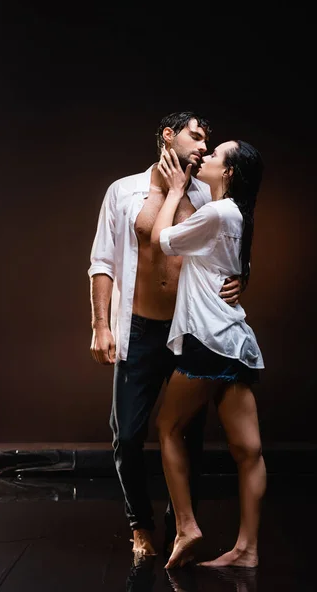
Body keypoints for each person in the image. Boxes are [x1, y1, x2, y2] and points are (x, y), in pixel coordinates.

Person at [88, 111, 243, 558]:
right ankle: (140, 525)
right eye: (196, 136)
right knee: (128, 435)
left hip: (188, 329)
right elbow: (102, 262)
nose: (202, 145)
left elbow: (230, 239)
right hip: (137, 329)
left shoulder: (207, 192)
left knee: (189, 435)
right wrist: (100, 325)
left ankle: (182, 527)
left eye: (206, 140)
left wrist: (242, 275)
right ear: (168, 136)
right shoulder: (123, 191)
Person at [151, 140, 266, 570]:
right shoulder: (240, 217)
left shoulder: (217, 212)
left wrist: (177, 189)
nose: (206, 157)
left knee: (168, 428)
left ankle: (186, 527)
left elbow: (163, 241)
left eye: (215, 155)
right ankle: (247, 550)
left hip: (207, 340)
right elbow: (233, 266)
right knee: (248, 450)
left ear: (229, 173)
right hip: (235, 342)